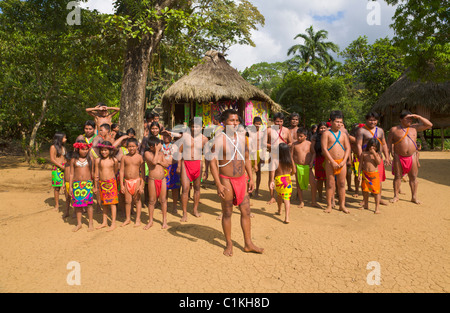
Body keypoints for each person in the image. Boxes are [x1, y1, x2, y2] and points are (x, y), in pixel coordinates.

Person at [210, 109, 263, 256]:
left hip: (241, 180)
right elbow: (212, 162)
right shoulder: (219, 140)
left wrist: (251, 178)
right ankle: (229, 244)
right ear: (224, 123)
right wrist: (218, 184)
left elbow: (246, 158)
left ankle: (248, 243)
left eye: (237, 121)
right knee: (227, 213)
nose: (235, 123)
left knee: (246, 211)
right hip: (226, 180)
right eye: (231, 121)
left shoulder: (242, 137)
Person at [387, 110, 432, 204]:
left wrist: (418, 117)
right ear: (401, 119)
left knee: (414, 177)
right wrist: (387, 157)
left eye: (411, 118)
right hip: (398, 156)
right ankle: (396, 196)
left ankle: (414, 197)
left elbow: (429, 125)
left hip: (412, 156)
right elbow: (388, 144)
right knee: (397, 176)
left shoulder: (414, 128)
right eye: (407, 118)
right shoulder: (394, 130)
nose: (409, 120)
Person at [176, 118, 208, 222]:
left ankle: (195, 209)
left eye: (197, 126)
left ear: (202, 127)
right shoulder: (185, 137)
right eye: (193, 126)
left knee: (197, 188)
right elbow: (180, 151)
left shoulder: (204, 139)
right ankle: (184, 213)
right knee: (185, 188)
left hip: (198, 164)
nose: (195, 128)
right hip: (186, 163)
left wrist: (206, 169)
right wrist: (179, 165)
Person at [356, 112, 391, 205]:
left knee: (378, 179)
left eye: (375, 120)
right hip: (366, 158)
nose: (373, 122)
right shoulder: (361, 131)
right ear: (366, 120)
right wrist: (361, 159)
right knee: (365, 179)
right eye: (370, 120)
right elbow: (359, 145)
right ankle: (364, 200)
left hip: (377, 157)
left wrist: (387, 157)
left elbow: (384, 143)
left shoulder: (380, 131)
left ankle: (378, 198)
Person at [321, 111, 351, 214]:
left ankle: (342, 205)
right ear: (331, 122)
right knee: (330, 184)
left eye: (341, 122)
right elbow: (324, 149)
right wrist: (332, 161)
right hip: (330, 162)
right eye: (337, 122)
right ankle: (329, 205)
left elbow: (348, 148)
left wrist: (344, 161)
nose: (339, 124)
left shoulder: (343, 134)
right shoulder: (326, 133)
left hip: (341, 162)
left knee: (342, 183)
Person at [144, 136, 172, 230]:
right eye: (156, 146)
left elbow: (166, 164)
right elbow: (154, 162)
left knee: (163, 200)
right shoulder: (147, 153)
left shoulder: (161, 154)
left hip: (162, 179)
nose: (158, 147)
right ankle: (150, 221)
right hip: (152, 179)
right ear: (152, 146)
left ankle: (164, 220)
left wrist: (160, 161)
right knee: (152, 201)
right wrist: (157, 152)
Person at [69, 140, 96, 232]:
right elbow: (71, 174)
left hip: (88, 184)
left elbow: (92, 173)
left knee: (89, 205)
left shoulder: (90, 159)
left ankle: (90, 223)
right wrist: (70, 187)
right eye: (82, 149)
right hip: (77, 184)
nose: (85, 151)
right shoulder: (73, 160)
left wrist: (94, 185)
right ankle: (79, 223)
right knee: (78, 205)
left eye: (86, 149)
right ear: (77, 149)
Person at [267, 112, 293, 204]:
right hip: (273, 154)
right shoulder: (269, 130)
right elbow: (264, 143)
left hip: (284, 156)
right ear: (274, 121)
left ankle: (284, 194)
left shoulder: (286, 130)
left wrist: (284, 146)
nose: (279, 123)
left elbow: (290, 142)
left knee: (284, 175)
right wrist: (273, 147)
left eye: (281, 121)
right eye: (277, 121)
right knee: (272, 176)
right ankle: (272, 196)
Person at [292, 127, 320, 208]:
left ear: (306, 136)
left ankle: (313, 201)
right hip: (298, 167)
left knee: (313, 183)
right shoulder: (294, 144)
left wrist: (311, 162)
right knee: (298, 184)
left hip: (308, 166)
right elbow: (291, 156)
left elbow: (313, 153)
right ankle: (301, 201)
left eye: (301, 136)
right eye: (298, 136)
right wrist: (293, 166)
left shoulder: (309, 144)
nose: (299, 138)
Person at [119, 138, 145, 227]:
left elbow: (143, 173)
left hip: (137, 181)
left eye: (133, 146)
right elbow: (121, 171)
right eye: (129, 146)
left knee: (137, 200)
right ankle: (128, 219)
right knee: (127, 201)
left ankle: (138, 219)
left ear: (137, 147)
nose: (131, 148)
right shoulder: (124, 157)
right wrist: (121, 184)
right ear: (126, 147)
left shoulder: (140, 157)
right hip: (127, 182)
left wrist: (142, 185)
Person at [94, 141, 119, 231]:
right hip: (102, 183)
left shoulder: (114, 160)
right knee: (104, 203)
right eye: (102, 150)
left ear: (110, 150)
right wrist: (95, 186)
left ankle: (113, 223)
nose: (104, 152)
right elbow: (96, 174)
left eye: (106, 150)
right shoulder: (97, 160)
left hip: (111, 183)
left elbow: (116, 172)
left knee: (112, 203)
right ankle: (104, 222)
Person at [269, 143, 295, 223]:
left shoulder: (275, 160)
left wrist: (271, 181)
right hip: (287, 179)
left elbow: (272, 172)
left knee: (279, 195)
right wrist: (290, 174)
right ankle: (287, 217)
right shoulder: (290, 160)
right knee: (286, 199)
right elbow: (294, 170)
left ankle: (279, 210)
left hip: (278, 179)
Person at [358, 138, 382, 214]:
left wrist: (374, 153)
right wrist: (359, 174)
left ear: (377, 147)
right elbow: (360, 164)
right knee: (365, 190)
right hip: (365, 174)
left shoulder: (378, 154)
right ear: (368, 145)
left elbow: (378, 162)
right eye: (371, 146)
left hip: (374, 174)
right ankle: (366, 204)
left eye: (374, 146)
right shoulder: (364, 154)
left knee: (376, 191)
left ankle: (377, 207)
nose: (372, 148)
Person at [162, 132, 181, 214]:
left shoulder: (175, 145)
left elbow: (176, 157)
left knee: (174, 188)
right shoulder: (160, 145)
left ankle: (175, 206)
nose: (166, 137)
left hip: (173, 167)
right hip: (163, 168)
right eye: (164, 135)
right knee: (164, 189)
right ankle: (164, 207)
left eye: (168, 135)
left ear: (171, 137)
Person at [50, 132, 67, 212]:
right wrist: (60, 166)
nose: (65, 139)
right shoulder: (53, 147)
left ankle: (67, 204)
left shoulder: (63, 147)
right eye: (64, 138)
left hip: (64, 167)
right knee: (57, 188)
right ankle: (57, 205)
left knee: (66, 186)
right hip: (57, 168)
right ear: (60, 138)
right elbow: (52, 159)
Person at [310, 122, 328, 201]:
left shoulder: (329, 136)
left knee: (328, 179)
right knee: (320, 179)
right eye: (321, 128)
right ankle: (320, 195)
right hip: (319, 159)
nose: (323, 129)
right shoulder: (315, 137)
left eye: (324, 128)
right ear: (318, 129)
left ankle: (328, 195)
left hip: (328, 159)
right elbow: (312, 148)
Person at [249, 116, 265, 198]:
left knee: (258, 172)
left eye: (259, 124)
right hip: (250, 153)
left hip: (259, 152)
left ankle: (257, 190)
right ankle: (249, 190)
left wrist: (263, 157)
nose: (257, 126)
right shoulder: (249, 132)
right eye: (256, 124)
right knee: (249, 172)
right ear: (253, 124)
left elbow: (263, 145)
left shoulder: (262, 134)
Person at [63, 151, 73, 218]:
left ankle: (75, 212)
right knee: (67, 198)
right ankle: (67, 212)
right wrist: (63, 183)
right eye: (67, 160)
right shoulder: (66, 165)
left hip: (72, 184)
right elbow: (64, 174)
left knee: (74, 199)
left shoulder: (74, 166)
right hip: (66, 183)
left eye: (69, 161)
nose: (68, 162)